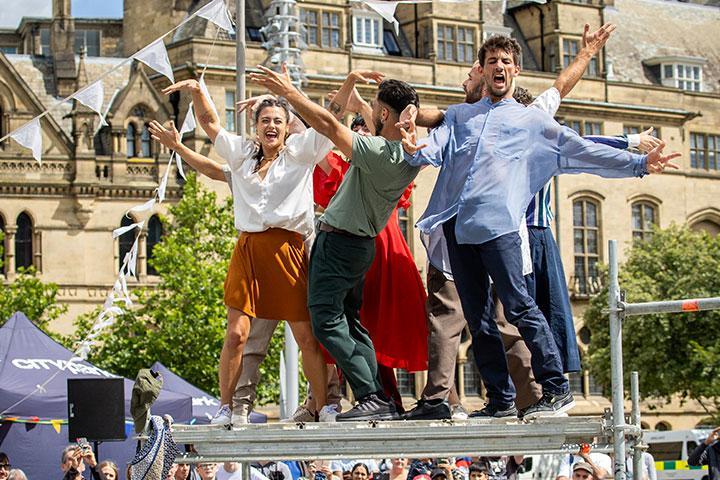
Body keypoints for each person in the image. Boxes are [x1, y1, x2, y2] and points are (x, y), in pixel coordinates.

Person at [402, 34, 680, 419]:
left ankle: (556, 386)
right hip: (459, 230)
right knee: (479, 318)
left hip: (500, 230)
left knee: (519, 307)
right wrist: (416, 148)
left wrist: (637, 163)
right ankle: (499, 400)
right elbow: (436, 148)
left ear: (515, 69)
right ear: (482, 70)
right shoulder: (460, 116)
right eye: (492, 61)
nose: (499, 67)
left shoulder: (533, 120)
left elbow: (581, 149)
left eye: (505, 61)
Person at [155, 73, 366, 424]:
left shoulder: (300, 153)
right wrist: (197, 91)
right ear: (255, 126)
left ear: (287, 128)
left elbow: (330, 116)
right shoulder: (241, 156)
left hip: (289, 251)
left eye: (278, 121)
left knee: (305, 336)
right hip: (249, 250)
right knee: (237, 335)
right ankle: (227, 407)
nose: (271, 126)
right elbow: (209, 124)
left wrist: (349, 82)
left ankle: (323, 405)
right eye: (265, 120)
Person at [249, 66, 423, 421]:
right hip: (359, 246)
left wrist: (289, 91)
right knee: (352, 323)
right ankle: (379, 396)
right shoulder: (405, 155)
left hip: (340, 244)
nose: (368, 113)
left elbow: (328, 126)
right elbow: (339, 121)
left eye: (374, 109)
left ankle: (370, 393)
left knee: (325, 319)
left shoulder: (377, 152)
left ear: (385, 115)